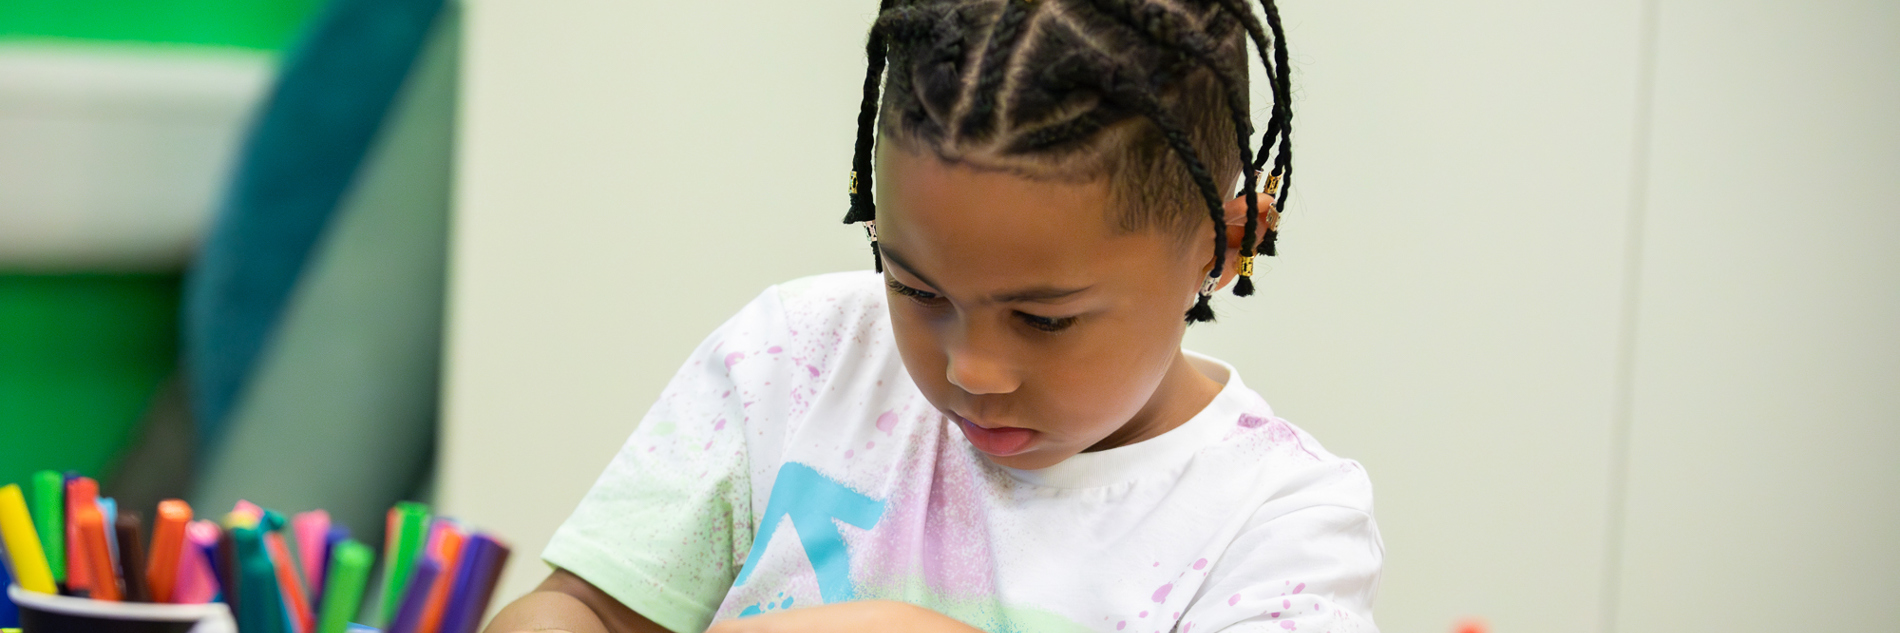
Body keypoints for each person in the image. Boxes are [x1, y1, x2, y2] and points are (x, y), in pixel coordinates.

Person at [484, 0, 1381, 631]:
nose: (972, 370)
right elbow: (588, 608)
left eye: (1043, 318)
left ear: (1222, 249)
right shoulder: (793, 360)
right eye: (916, 290)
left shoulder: (1279, 519)